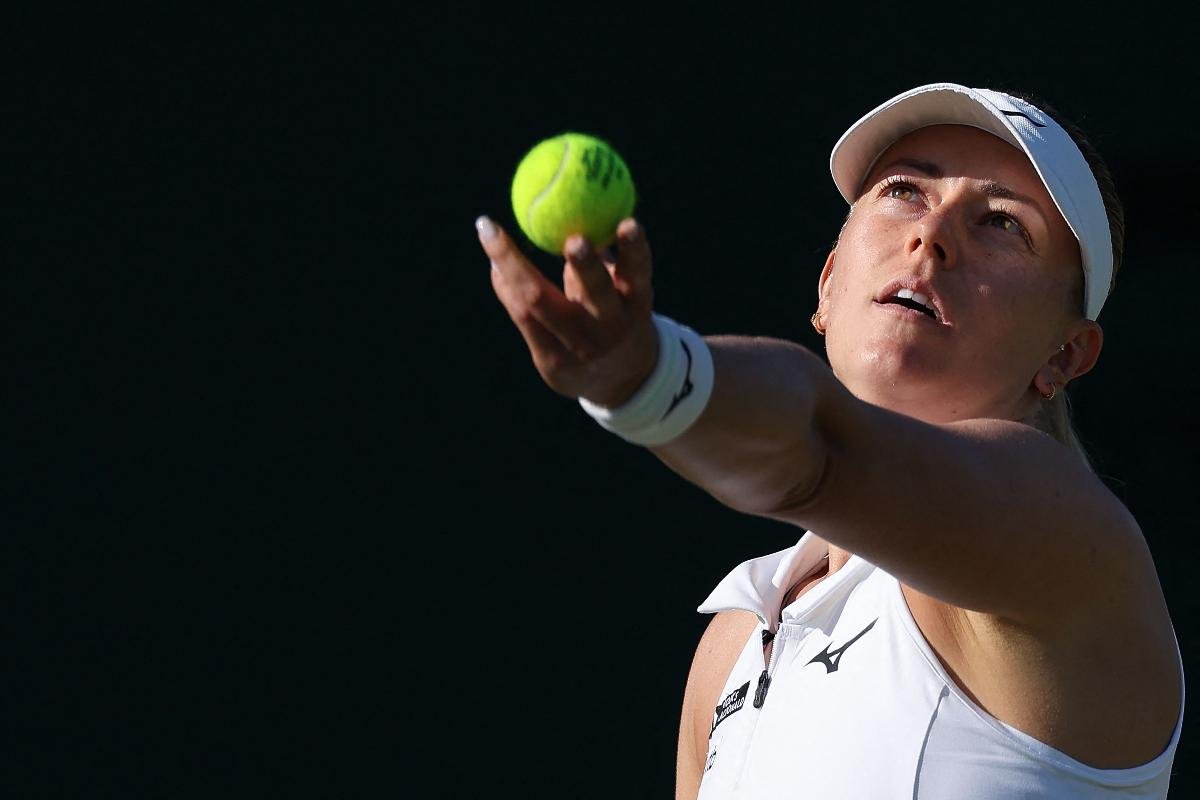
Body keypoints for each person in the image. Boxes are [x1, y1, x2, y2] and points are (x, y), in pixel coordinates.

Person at [477, 82, 1185, 798]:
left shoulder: (1063, 534)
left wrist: (651, 378)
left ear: (1066, 355)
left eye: (1002, 223)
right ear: (827, 282)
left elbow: (822, 450)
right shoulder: (732, 644)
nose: (931, 235)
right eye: (905, 190)